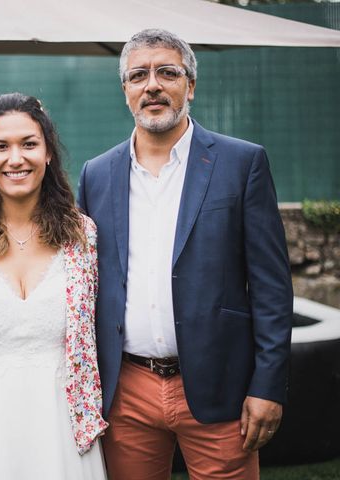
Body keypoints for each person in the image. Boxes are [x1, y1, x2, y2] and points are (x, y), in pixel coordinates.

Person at [78, 29, 293, 480]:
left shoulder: (242, 163)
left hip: (221, 384)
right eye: (138, 75)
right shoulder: (95, 175)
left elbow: (272, 287)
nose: (152, 84)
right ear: (126, 91)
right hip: (127, 390)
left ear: (190, 85)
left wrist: (268, 385)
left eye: (167, 72)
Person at [0, 92, 108, 480]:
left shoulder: (83, 237)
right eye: (1, 147)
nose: (15, 159)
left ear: (48, 153)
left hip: (65, 424)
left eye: (29, 144)